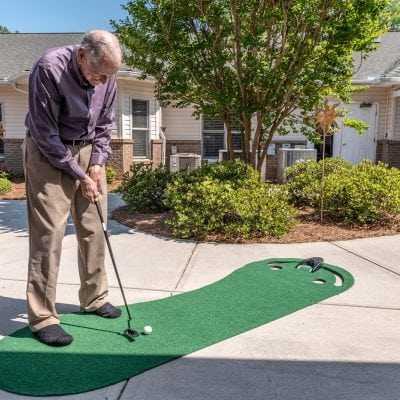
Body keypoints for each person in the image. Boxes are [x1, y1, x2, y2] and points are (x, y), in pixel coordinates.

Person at [22, 30, 123, 347]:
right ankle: (43, 317)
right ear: (81, 55)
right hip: (47, 152)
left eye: (106, 75)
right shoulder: (49, 68)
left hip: (86, 150)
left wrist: (97, 161)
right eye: (96, 73)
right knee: (49, 233)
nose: (99, 81)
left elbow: (105, 123)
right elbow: (45, 134)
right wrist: (80, 174)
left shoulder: (107, 75)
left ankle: (94, 297)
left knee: (94, 227)